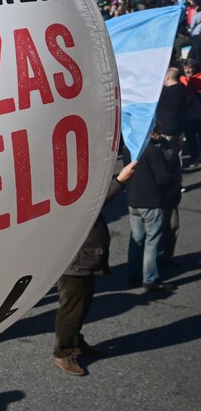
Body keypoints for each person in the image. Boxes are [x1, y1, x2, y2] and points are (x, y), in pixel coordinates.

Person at [53, 161, 137, 376]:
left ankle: (75, 342)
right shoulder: (63, 193)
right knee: (72, 309)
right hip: (76, 261)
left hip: (85, 259)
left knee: (82, 305)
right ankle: (63, 353)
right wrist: (119, 182)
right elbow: (92, 203)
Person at [124, 126, 176, 293]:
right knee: (152, 241)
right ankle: (150, 278)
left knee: (136, 239)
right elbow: (163, 178)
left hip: (133, 200)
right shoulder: (152, 151)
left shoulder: (128, 148)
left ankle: (133, 273)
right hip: (151, 201)